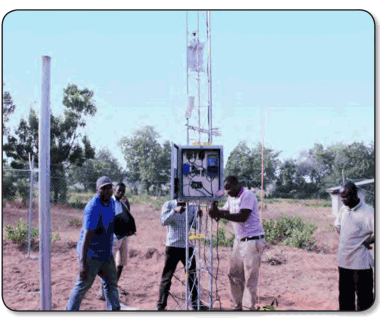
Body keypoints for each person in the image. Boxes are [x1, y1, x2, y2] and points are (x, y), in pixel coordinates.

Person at [208, 176, 265, 310]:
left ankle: (247, 309)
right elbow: (225, 212)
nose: (227, 192)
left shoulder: (247, 195)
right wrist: (214, 207)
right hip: (239, 240)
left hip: (252, 240)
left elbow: (242, 216)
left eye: (229, 189)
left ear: (236, 185)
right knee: (234, 273)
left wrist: (221, 214)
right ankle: (237, 306)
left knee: (250, 277)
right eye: (225, 189)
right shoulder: (231, 198)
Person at [66, 176, 120, 311]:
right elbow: (87, 236)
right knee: (82, 286)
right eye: (104, 188)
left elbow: (111, 224)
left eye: (109, 188)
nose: (107, 191)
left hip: (105, 254)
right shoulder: (93, 207)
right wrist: (82, 263)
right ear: (97, 190)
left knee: (111, 283)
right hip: (91, 254)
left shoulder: (112, 203)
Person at [157, 198, 208, 311]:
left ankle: (195, 303)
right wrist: (174, 211)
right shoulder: (169, 204)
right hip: (173, 246)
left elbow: (195, 226)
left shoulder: (192, 207)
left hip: (188, 246)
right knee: (167, 277)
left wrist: (199, 218)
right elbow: (163, 221)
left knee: (192, 275)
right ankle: (161, 306)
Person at [334, 181, 374, 311]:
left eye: (346, 196)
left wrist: (367, 241)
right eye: (341, 197)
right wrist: (349, 239)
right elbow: (338, 227)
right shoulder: (343, 210)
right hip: (344, 262)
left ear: (355, 194)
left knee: (364, 300)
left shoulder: (368, 211)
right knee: (345, 299)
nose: (343, 200)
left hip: (361, 264)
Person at [97, 182, 134, 300]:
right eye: (119, 191)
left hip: (123, 237)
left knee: (121, 263)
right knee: (108, 265)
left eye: (123, 191)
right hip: (112, 238)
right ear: (114, 190)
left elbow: (127, 216)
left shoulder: (123, 202)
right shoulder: (110, 202)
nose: (121, 193)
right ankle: (102, 291)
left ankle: (113, 286)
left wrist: (127, 204)